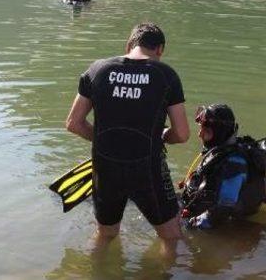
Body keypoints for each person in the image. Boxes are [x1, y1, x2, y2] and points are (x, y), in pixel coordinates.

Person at [65, 23, 189, 252]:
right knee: (171, 237)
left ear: (129, 45)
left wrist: (105, 141)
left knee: (106, 235)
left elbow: (74, 123)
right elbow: (181, 134)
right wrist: (162, 136)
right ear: (160, 49)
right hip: (147, 168)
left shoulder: (97, 69)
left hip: (105, 166)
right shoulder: (165, 75)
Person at [180, 104, 266, 229]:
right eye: (201, 128)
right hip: (206, 208)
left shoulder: (235, 163)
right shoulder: (218, 151)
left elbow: (224, 208)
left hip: (230, 225)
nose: (200, 134)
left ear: (219, 134)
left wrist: (190, 224)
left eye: (207, 131)